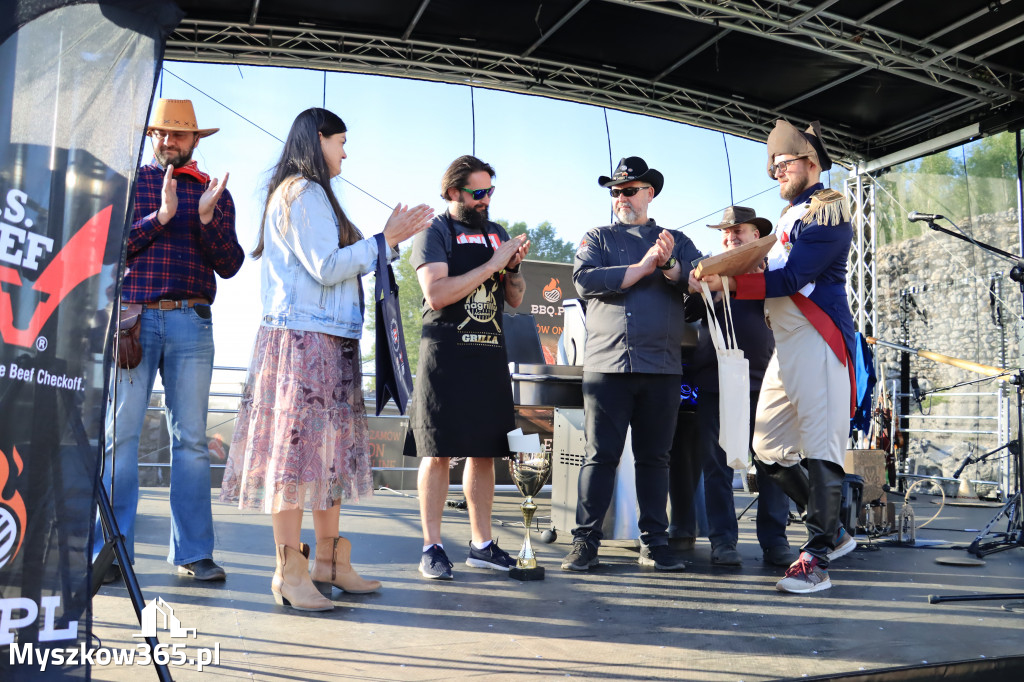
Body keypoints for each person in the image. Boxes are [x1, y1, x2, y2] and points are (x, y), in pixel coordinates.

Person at [220, 108, 433, 611]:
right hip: (304, 343)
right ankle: (290, 574)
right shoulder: (303, 192)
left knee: (327, 459)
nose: (345, 152)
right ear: (318, 139)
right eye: (341, 141)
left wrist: (385, 244)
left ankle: (329, 565)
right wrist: (385, 240)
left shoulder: (308, 194)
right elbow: (326, 266)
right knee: (297, 461)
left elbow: (335, 262)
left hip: (322, 340)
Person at [693, 121, 857, 593]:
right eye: (774, 167)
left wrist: (730, 281)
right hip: (786, 342)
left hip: (816, 337)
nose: (776, 173)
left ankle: (817, 556)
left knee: (822, 448)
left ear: (810, 162)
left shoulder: (828, 210)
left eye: (783, 165)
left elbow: (791, 280)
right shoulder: (792, 215)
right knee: (766, 447)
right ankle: (835, 530)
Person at [95, 99, 243, 584]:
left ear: (195, 140)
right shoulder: (129, 183)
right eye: (161, 133)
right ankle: (112, 552)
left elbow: (231, 264)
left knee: (192, 443)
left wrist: (203, 220)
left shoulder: (215, 193)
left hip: (192, 323)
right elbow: (106, 250)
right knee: (120, 440)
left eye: (178, 134)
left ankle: (193, 553)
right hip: (133, 324)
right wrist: (159, 216)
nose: (168, 141)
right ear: (152, 137)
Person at [561, 156, 702, 572]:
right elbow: (584, 279)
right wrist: (643, 268)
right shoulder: (597, 237)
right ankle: (585, 542)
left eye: (629, 190)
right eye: (615, 191)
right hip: (607, 367)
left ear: (649, 193)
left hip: (662, 368)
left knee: (655, 459)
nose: (620, 197)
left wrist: (671, 265)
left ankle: (655, 543)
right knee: (600, 455)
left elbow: (698, 282)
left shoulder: (676, 239)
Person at [408, 155, 530, 580]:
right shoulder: (433, 232)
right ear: (453, 193)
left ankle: (481, 544)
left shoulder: (495, 233)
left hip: (488, 357)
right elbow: (437, 293)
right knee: (438, 453)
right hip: (445, 358)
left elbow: (514, 298)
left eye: (490, 192)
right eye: (478, 193)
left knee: (485, 454)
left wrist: (512, 267)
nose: (485, 200)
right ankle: (433, 546)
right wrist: (494, 265)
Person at [684, 206, 795, 568]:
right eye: (726, 232)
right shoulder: (708, 273)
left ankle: (775, 540)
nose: (730, 236)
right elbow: (685, 312)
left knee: (773, 465)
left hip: (769, 384)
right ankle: (723, 541)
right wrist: (694, 288)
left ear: (755, 237)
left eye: (738, 231)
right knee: (717, 467)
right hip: (716, 384)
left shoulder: (776, 273)